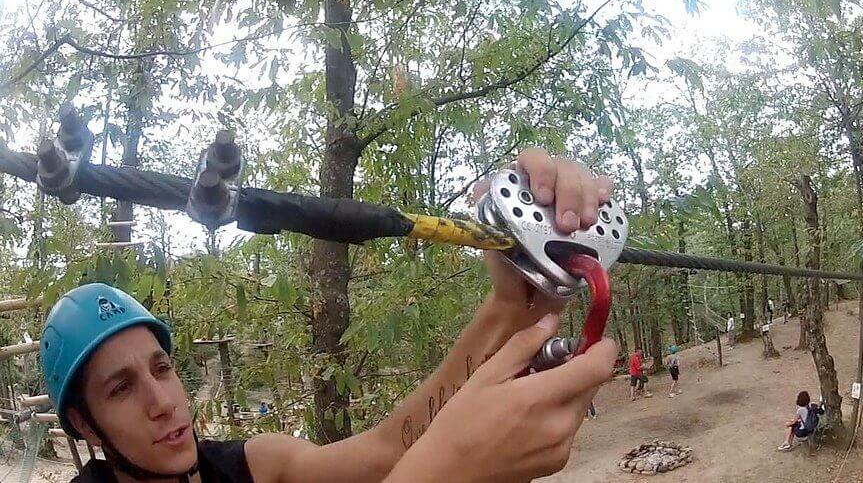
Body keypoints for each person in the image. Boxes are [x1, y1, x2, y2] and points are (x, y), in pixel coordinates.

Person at [40, 150, 620, 483]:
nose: (162, 401)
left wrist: (512, 304)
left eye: (161, 368)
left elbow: (387, 451)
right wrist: (447, 470)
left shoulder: (248, 467)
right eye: (121, 388)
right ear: (86, 425)